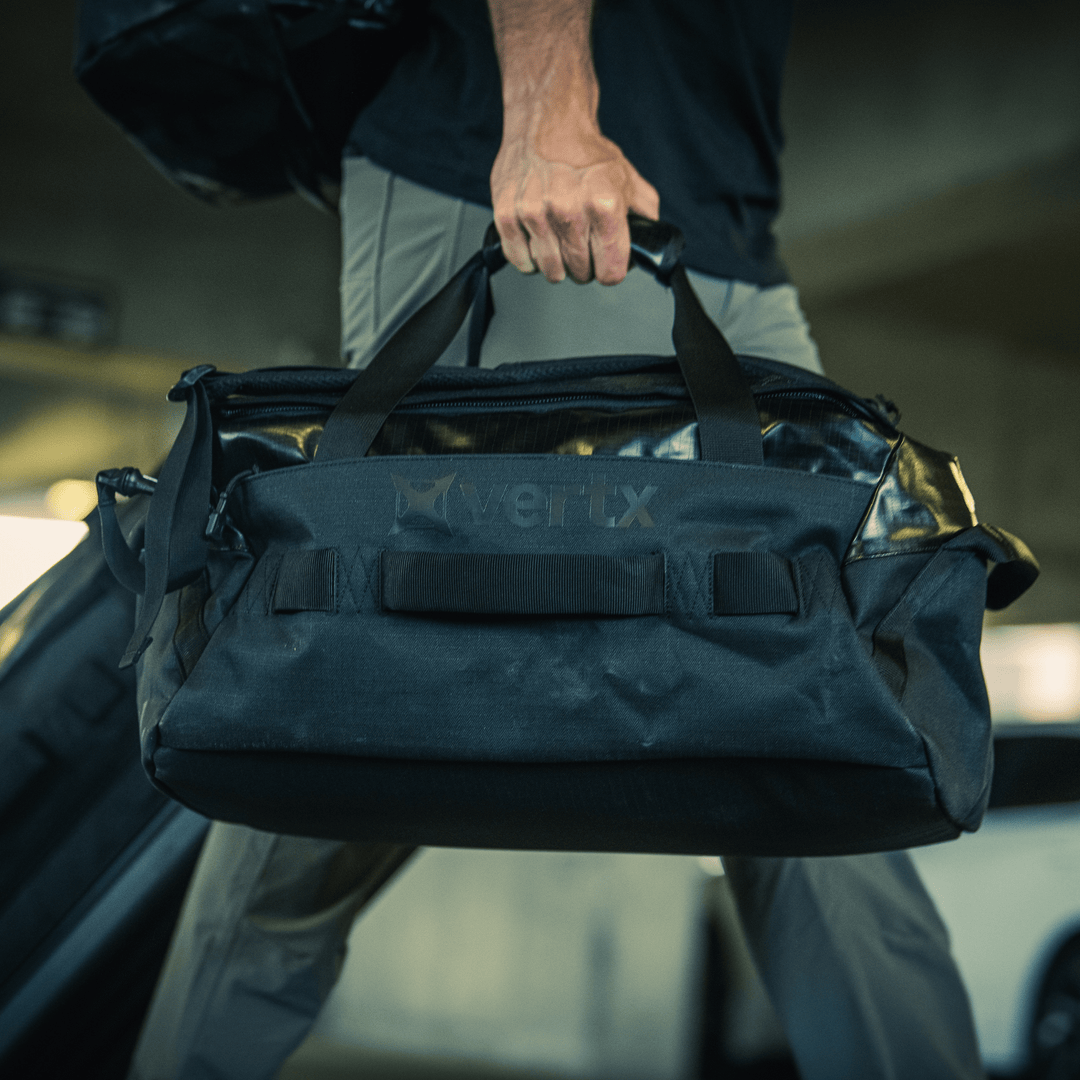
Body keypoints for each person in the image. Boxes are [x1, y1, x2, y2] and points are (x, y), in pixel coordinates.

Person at [128, 2, 987, 1077]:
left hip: (726, 218)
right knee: (353, 693)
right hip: (520, 170)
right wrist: (547, 103)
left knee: (819, 726)